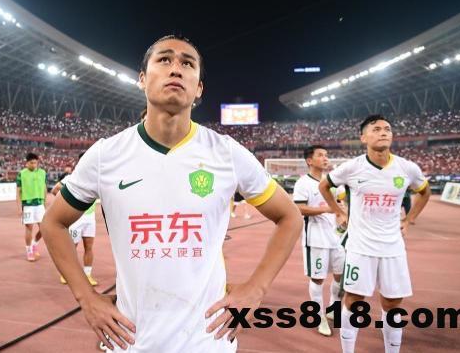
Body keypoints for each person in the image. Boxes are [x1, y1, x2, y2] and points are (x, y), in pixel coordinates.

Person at [41, 35, 302, 352]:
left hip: (208, 341)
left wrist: (256, 289)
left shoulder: (227, 153)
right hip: (132, 340)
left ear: (199, 88)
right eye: (164, 59)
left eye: (187, 63)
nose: (176, 68)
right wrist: (86, 298)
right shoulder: (105, 155)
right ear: (142, 79)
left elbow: (290, 217)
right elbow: (53, 223)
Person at [319, 114, 431, 353]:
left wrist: (409, 220)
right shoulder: (352, 167)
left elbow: (425, 192)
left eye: (387, 129)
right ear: (363, 138)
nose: (383, 132)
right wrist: (338, 212)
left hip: (393, 247)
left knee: (392, 304)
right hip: (360, 247)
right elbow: (324, 186)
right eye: (376, 129)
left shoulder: (407, 168)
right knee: (354, 301)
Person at [293, 145, 345, 337]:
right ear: (310, 160)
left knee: (341, 276)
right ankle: (319, 316)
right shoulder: (303, 183)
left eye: (326, 155)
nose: (325, 158)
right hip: (315, 239)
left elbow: (338, 204)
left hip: (335, 237)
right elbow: (299, 209)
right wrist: (326, 209)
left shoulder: (330, 182)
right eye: (320, 155)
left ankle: (333, 308)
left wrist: (341, 214)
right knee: (318, 279)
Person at [51, 153, 98, 286]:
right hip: (76, 218)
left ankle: (87, 275)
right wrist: (68, 202)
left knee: (89, 247)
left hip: (90, 218)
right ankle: (65, 274)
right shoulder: (71, 177)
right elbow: (55, 190)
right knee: (72, 248)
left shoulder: (96, 178)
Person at [17, 153, 47, 262]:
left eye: (35, 162)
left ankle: (35, 243)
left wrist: (44, 203)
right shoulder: (21, 174)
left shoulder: (43, 173)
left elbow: (44, 188)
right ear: (27, 163)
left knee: (44, 228)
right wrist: (19, 207)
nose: (34, 165)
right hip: (28, 205)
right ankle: (29, 250)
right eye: (31, 163)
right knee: (29, 228)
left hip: (40, 204)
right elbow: (18, 192)